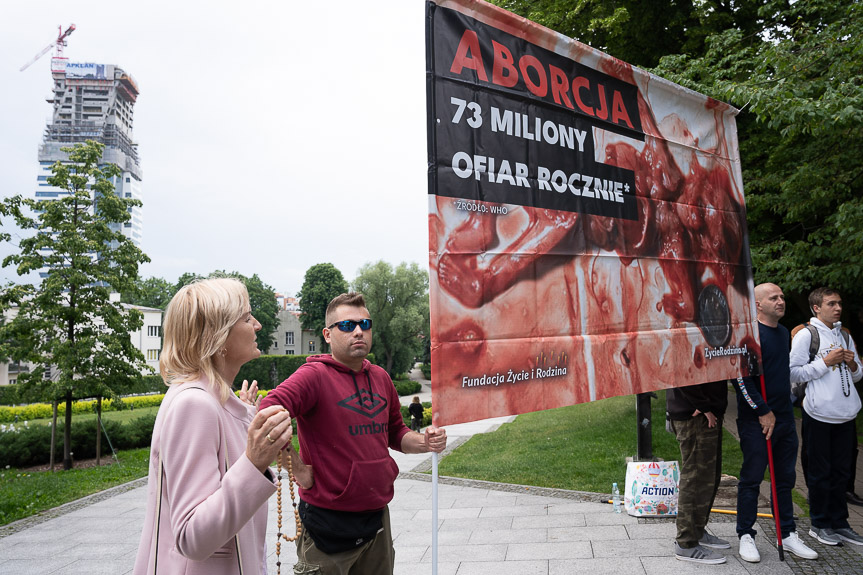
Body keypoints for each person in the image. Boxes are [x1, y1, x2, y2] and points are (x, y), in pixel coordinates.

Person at [259, 292, 447, 574]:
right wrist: (296, 468)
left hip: (377, 520)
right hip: (327, 525)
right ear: (328, 334)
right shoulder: (314, 376)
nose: (359, 331)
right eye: (347, 326)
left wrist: (425, 442)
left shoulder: (381, 378)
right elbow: (267, 410)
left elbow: (395, 433)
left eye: (365, 324)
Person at [134, 278, 294, 574]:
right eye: (247, 317)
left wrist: (243, 416)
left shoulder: (213, 400)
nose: (257, 324)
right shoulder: (194, 405)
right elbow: (192, 537)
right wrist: (254, 462)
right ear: (218, 335)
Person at [734, 283, 817, 562]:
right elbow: (742, 381)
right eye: (774, 297)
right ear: (758, 304)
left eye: (782, 296)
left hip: (784, 419)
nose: (781, 301)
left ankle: (787, 533)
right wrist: (762, 410)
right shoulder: (749, 336)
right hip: (756, 420)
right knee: (752, 479)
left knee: (785, 480)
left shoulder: (783, 333)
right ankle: (746, 533)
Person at [790, 287, 863, 546]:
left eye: (840, 303)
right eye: (831, 304)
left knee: (842, 473)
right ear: (816, 308)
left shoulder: (844, 334)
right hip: (818, 414)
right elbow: (793, 373)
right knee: (820, 473)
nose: (838, 308)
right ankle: (819, 524)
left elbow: (858, 376)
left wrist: (853, 365)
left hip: (846, 413)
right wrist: (826, 362)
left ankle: (840, 523)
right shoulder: (806, 335)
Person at [666, 380, 730, 564]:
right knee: (695, 478)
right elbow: (683, 372)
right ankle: (686, 543)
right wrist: (702, 405)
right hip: (695, 414)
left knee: (708, 477)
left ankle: (697, 531)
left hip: (705, 410)